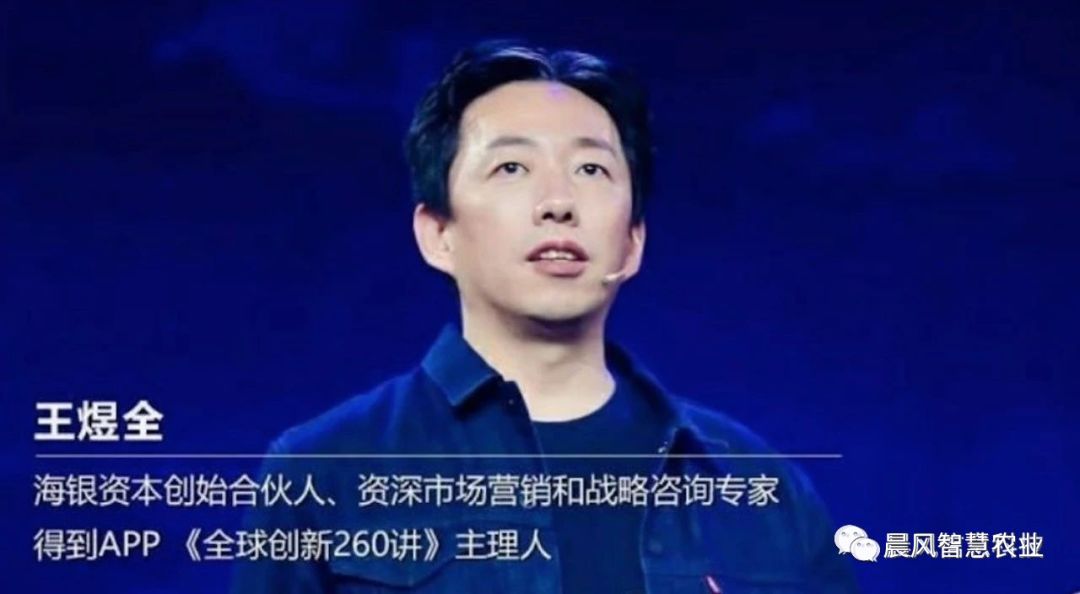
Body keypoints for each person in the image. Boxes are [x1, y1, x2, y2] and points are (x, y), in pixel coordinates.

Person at [231, 39, 860, 594]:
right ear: (438, 234)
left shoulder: (760, 487)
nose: (558, 202)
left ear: (632, 242)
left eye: (591, 169)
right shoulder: (325, 471)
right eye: (512, 167)